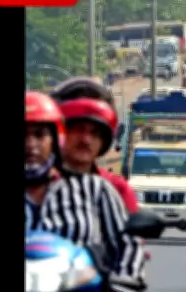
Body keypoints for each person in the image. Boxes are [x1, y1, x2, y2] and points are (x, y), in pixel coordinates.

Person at [25, 92, 154, 292]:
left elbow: (127, 244)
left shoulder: (96, 190)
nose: (31, 145)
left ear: (55, 140)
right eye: (23, 136)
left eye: (40, 135)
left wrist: (122, 287)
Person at [49, 77, 138, 214]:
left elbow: (133, 234)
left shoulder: (116, 188)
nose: (86, 140)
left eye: (95, 133)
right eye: (78, 129)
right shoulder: (38, 186)